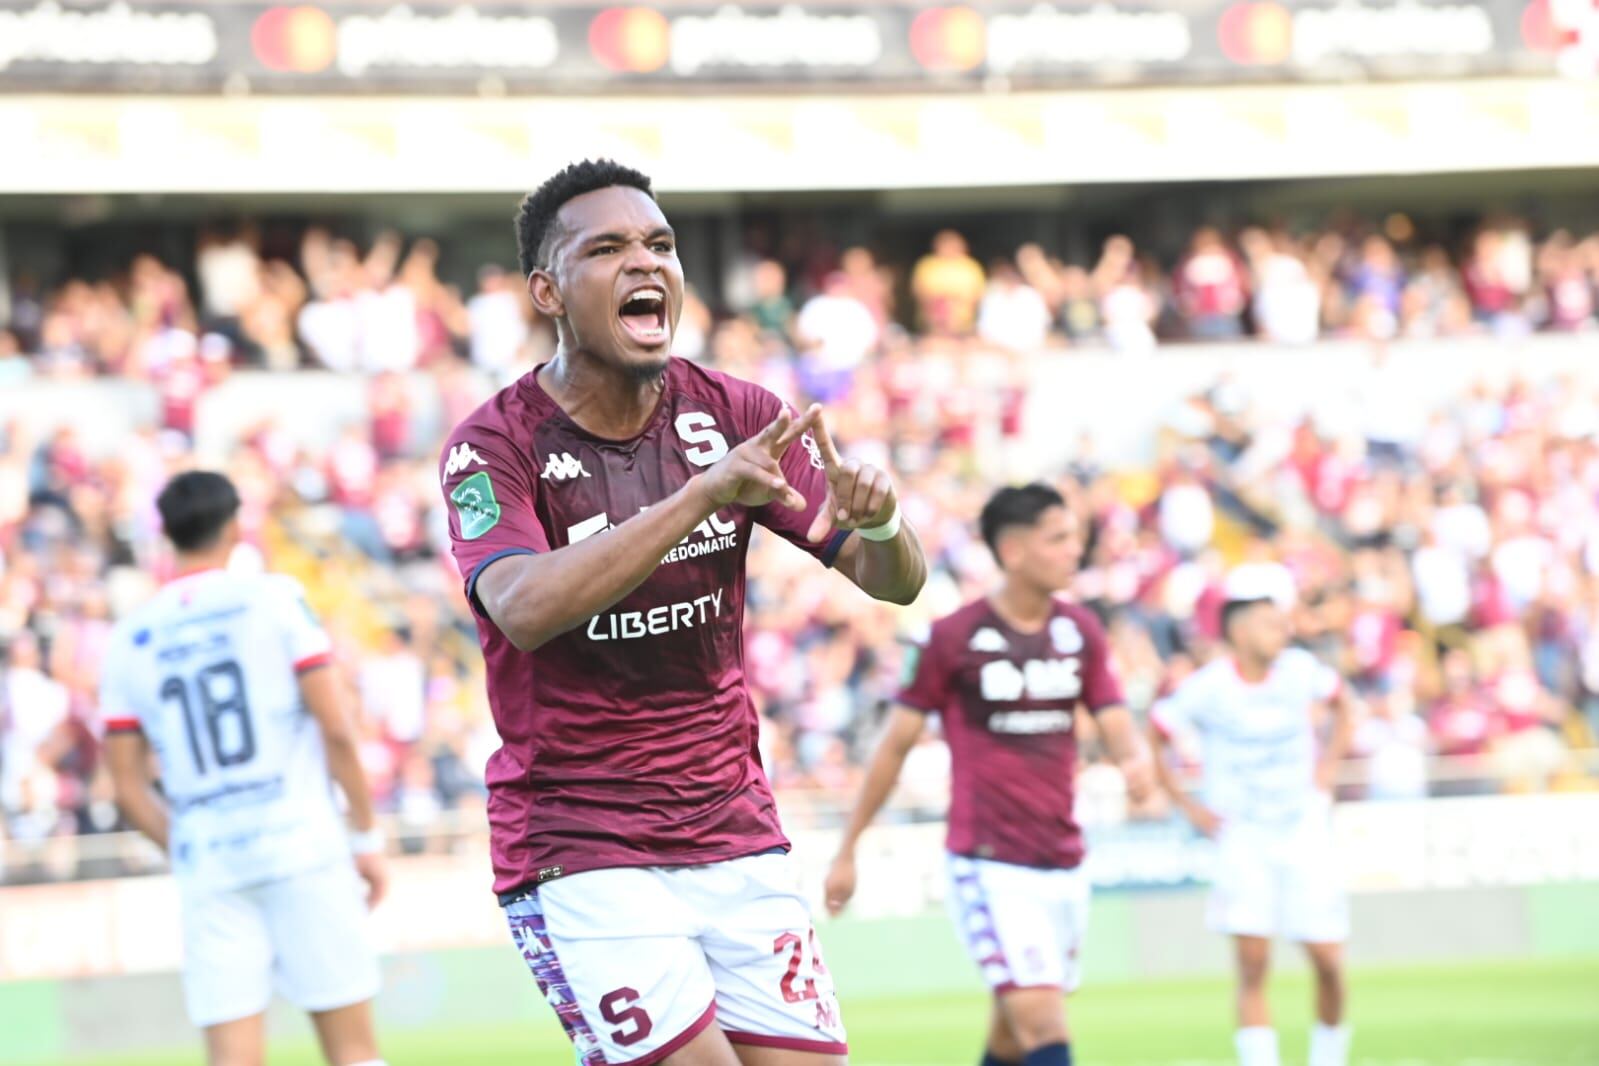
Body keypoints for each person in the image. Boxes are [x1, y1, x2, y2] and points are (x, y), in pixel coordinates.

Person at [441, 159, 927, 1066]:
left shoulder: (733, 413)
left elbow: (891, 580)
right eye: (609, 248)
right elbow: (521, 606)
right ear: (547, 289)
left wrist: (885, 522)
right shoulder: (492, 443)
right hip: (582, 844)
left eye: (659, 244)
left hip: (733, 827)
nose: (646, 263)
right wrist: (700, 499)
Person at [824, 483, 1155, 1066]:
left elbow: (1111, 713)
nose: (1076, 549)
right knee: (1042, 1021)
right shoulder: (950, 638)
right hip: (989, 862)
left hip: (1062, 857)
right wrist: (849, 847)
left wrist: (1133, 760)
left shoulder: (1081, 631)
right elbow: (895, 746)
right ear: (1014, 550)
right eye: (1059, 538)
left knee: (1012, 1030)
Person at [100, 470, 387, 1066]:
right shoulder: (275, 600)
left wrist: (189, 843)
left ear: (167, 536)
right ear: (235, 525)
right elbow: (335, 728)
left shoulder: (131, 637)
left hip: (211, 860)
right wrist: (364, 834)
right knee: (354, 1054)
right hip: (303, 846)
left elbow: (126, 787)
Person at [1148, 563, 1355, 1066]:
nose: (1282, 629)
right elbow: (1156, 735)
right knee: (1253, 962)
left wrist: (1327, 769)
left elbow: (1345, 707)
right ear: (1238, 630)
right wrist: (1189, 806)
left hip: (1303, 829)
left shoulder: (1302, 672)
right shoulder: (1209, 687)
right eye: (1269, 621)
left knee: (1328, 958)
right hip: (1243, 838)